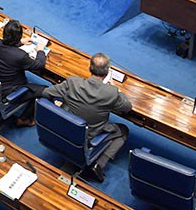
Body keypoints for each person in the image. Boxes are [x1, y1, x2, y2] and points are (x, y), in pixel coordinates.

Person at [42, 53, 133, 182]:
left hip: (64, 127)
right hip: (89, 135)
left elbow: (46, 93)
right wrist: (116, 90)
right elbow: (127, 107)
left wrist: (57, 107)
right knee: (123, 130)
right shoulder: (111, 92)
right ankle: (99, 164)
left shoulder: (73, 82)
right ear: (107, 72)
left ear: (90, 68)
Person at [0, 20, 47, 126]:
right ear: (19, 36)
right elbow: (39, 65)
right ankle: (25, 119)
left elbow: (5, 46)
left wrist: (20, 43)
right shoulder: (20, 56)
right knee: (46, 90)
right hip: (11, 90)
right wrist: (40, 50)